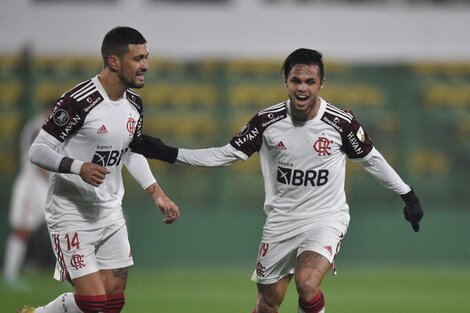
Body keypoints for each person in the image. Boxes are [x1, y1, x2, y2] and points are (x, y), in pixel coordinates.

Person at [129, 48, 424, 313]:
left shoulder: (340, 123)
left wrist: (407, 194)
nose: (302, 88)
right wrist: (167, 153)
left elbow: (370, 159)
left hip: (325, 218)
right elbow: (225, 154)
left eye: (310, 82)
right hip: (281, 222)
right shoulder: (267, 122)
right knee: (268, 303)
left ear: (321, 84)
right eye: (296, 81)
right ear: (286, 81)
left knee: (307, 284)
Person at [18, 26, 180, 313]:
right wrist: (78, 167)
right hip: (71, 212)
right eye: (138, 58)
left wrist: (156, 192)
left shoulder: (134, 104)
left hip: (110, 213)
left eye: (146, 57)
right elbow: (38, 150)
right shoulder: (78, 102)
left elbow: (132, 151)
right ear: (114, 62)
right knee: (93, 303)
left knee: (114, 302)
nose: (146, 66)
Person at [3, 103, 52, 289]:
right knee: (22, 230)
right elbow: (38, 161)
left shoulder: (47, 128)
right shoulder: (38, 127)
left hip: (41, 186)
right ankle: (10, 274)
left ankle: (69, 273)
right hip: (31, 186)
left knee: (60, 226)